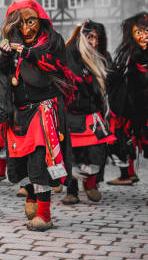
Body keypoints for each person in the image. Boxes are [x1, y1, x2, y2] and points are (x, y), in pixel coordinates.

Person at [0, 0, 74, 231]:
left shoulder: (53, 41)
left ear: (40, 20)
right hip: (18, 114)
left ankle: (45, 214)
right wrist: (6, 56)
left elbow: (53, 64)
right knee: (17, 165)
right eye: (21, 23)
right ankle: (31, 197)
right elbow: (0, 71)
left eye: (31, 21)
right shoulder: (13, 44)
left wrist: (27, 52)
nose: (27, 28)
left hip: (43, 112)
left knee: (39, 162)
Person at [61, 21, 114, 205]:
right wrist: (76, 30)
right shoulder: (71, 54)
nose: (93, 42)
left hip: (93, 114)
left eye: (96, 38)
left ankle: (91, 184)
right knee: (71, 154)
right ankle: (72, 191)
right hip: (71, 114)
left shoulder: (103, 57)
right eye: (89, 37)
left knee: (96, 152)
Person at [107, 12, 148, 186]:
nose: (144, 36)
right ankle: (127, 173)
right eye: (139, 33)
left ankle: (127, 173)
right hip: (136, 110)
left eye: (146, 32)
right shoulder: (129, 55)